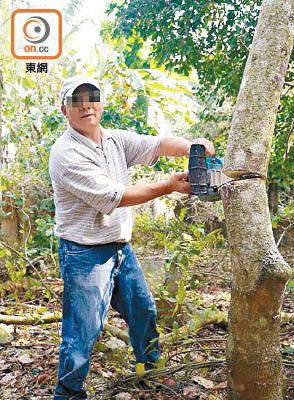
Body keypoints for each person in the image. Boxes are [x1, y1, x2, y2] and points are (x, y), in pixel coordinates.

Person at [49, 75, 214, 399]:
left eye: (91, 98)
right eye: (76, 101)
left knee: (144, 311)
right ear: (65, 110)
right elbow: (115, 197)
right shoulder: (65, 154)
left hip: (120, 249)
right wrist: (168, 186)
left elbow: (157, 144)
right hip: (84, 255)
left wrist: (194, 146)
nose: (86, 106)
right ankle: (68, 393)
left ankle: (150, 371)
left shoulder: (113, 141)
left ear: (101, 102)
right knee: (82, 332)